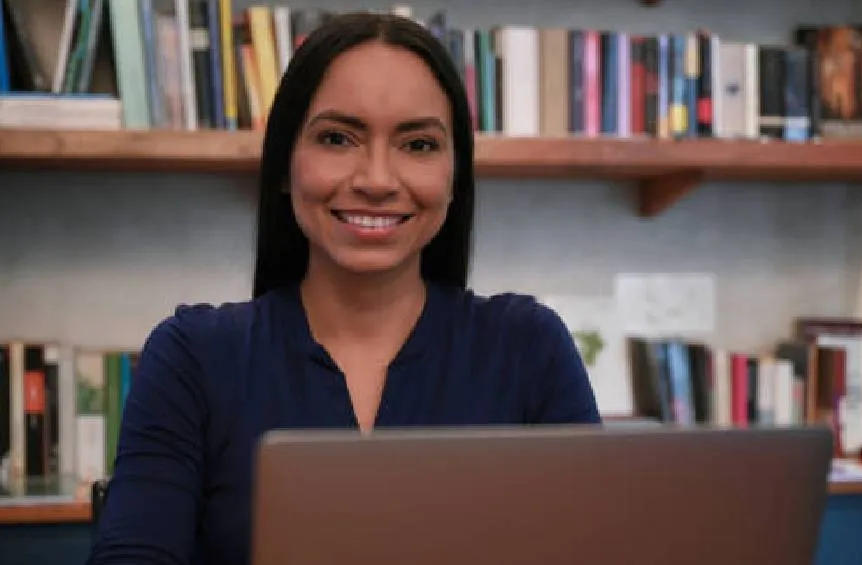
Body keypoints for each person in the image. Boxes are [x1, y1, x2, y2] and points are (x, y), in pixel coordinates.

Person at [87, 11, 601, 565]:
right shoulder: (192, 356)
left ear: (455, 177)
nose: (377, 180)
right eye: (337, 138)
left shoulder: (529, 348)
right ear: (284, 165)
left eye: (419, 144)